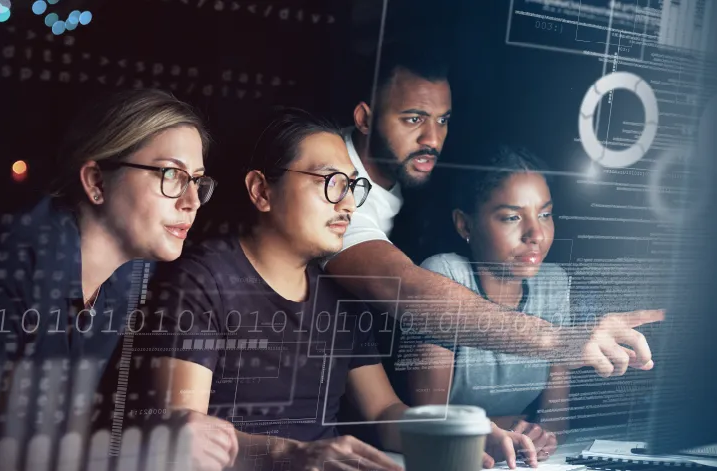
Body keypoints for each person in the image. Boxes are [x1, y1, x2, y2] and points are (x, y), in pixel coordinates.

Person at [132, 109, 541, 471]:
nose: (347, 204)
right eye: (330, 182)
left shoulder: (338, 294)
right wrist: (289, 456)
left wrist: (462, 430)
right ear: (261, 190)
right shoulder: (201, 280)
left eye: (352, 187)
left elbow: (383, 411)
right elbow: (181, 436)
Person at [322, 42, 664, 382]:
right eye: (414, 119)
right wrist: (561, 339)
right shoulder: (330, 184)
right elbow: (408, 292)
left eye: (443, 120)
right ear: (365, 119)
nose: (433, 139)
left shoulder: (401, 170)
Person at [0, 89, 238, 471]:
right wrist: (146, 449)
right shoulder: (11, 259)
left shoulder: (131, 271)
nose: (191, 200)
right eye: (171, 174)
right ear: (96, 181)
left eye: (198, 181)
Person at [401, 146, 568, 462]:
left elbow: (556, 421)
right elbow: (432, 417)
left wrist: (541, 436)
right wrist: (514, 429)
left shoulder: (554, 284)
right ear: (465, 225)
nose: (536, 233)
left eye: (545, 214)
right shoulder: (443, 276)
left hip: (514, 459)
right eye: (511, 217)